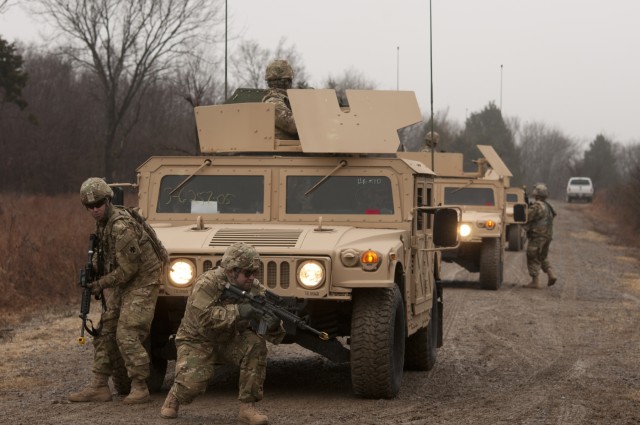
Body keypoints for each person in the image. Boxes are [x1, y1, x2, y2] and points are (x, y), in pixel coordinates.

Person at [160, 242, 285, 424]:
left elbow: (273, 333)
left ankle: (247, 407)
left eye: (254, 273)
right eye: (247, 273)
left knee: (256, 345)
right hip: (197, 341)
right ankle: (175, 396)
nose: (252, 278)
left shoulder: (254, 288)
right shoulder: (207, 283)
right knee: (192, 385)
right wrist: (239, 311)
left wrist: (274, 326)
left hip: (229, 339)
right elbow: (203, 319)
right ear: (231, 270)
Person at [69, 177, 164, 404]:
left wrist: (101, 283)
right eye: (89, 206)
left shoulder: (121, 227)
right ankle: (99, 386)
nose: (95, 209)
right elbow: (109, 260)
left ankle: (140, 386)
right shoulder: (103, 224)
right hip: (126, 281)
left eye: (99, 204)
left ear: (108, 201)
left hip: (143, 280)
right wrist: (92, 272)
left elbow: (130, 269)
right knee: (106, 329)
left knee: (128, 332)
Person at [524, 183, 557, 288]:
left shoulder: (537, 206)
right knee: (542, 256)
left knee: (532, 255)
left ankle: (535, 281)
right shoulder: (548, 206)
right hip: (548, 236)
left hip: (538, 235)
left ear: (536, 194)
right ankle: (551, 273)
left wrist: (526, 208)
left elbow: (526, 217)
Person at [262, 59, 298, 140]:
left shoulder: (288, 98)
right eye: (287, 80)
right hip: (284, 148)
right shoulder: (273, 101)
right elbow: (293, 125)